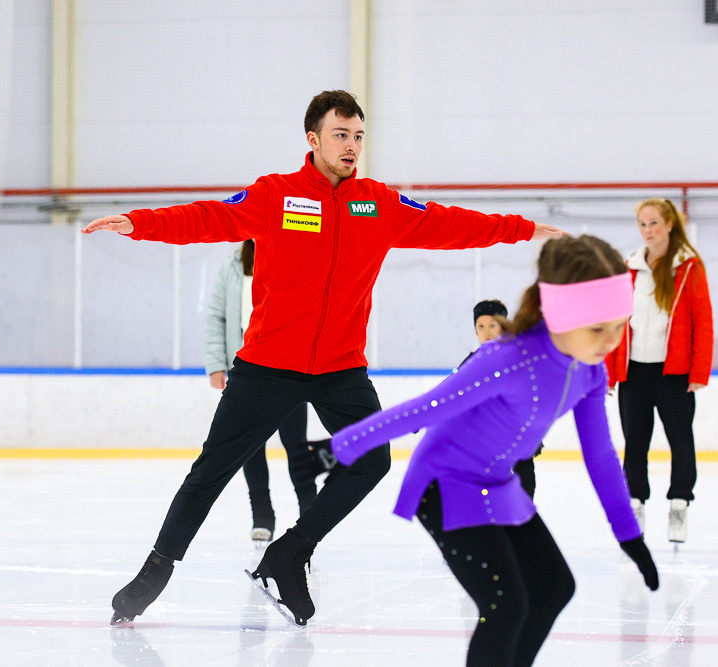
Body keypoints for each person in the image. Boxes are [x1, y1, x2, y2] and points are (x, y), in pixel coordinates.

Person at [80, 89, 563, 627]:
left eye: (358, 136)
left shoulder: (378, 204)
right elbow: (210, 217)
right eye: (341, 135)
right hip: (268, 363)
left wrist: (518, 229)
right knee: (213, 468)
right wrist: (141, 222)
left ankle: (290, 552)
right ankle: (156, 570)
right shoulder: (277, 196)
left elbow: (451, 225)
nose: (352, 145)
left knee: (373, 458)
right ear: (313, 140)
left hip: (339, 368)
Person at [294, 235, 659, 666]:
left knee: (553, 589)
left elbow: (600, 458)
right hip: (444, 484)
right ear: (561, 314)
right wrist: (340, 448)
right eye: (598, 328)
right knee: (506, 605)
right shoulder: (509, 357)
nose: (610, 341)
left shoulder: (590, 373)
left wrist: (629, 536)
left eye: (620, 326)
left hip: (499, 483)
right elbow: (427, 407)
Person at [604, 198, 713, 545]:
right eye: (642, 224)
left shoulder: (689, 267)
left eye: (653, 223)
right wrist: (609, 370)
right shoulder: (629, 267)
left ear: (669, 225)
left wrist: (699, 370)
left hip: (675, 373)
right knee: (635, 442)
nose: (648, 231)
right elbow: (613, 322)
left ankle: (679, 503)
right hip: (634, 371)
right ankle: (635, 503)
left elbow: (703, 322)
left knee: (681, 441)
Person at [205, 239, 315, 541]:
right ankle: (262, 515)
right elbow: (217, 315)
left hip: (289, 367)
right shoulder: (233, 265)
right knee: (250, 447)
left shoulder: (292, 253)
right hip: (246, 369)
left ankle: (310, 513)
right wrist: (216, 363)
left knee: (296, 444)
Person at [465, 299, 541, 498]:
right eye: (480, 326)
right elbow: (448, 394)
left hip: (518, 441)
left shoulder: (520, 359)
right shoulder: (471, 364)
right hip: (483, 446)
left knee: (523, 496)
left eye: (493, 325)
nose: (487, 332)